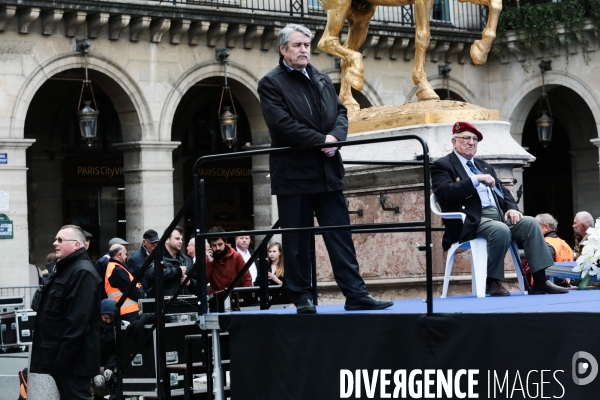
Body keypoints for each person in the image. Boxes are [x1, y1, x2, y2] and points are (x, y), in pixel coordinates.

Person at [257, 23, 393, 314]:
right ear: (283, 49)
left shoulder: (319, 77)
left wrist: (336, 139)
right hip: (294, 174)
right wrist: (321, 141)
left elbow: (341, 112)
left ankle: (355, 294)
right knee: (296, 240)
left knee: (340, 236)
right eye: (297, 45)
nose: (304, 49)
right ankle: (301, 296)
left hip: (328, 171)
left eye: (306, 45)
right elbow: (282, 125)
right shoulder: (271, 83)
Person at [431, 121, 568, 296]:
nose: (471, 142)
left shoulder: (483, 165)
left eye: (475, 139)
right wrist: (475, 180)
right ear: (454, 142)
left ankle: (541, 281)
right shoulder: (443, 165)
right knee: (501, 229)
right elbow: (444, 193)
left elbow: (503, 190)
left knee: (531, 223)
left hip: (497, 216)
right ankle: (492, 281)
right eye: (466, 138)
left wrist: (512, 208)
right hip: (469, 220)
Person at [30, 224, 103, 399]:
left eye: (61, 240)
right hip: (62, 361)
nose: (55, 243)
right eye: (56, 239)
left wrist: (62, 359)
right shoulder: (65, 270)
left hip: (73, 363)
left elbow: (77, 322)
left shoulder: (82, 273)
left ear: (77, 244)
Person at [145, 226, 194, 297]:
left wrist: (190, 282)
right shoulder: (155, 257)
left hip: (185, 305)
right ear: (167, 239)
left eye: (181, 239)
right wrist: (178, 271)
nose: (181, 241)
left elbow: (198, 283)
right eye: (177, 239)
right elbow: (153, 274)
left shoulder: (187, 260)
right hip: (163, 305)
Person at [105, 244, 146, 322]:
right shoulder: (117, 270)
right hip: (128, 312)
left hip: (125, 311)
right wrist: (144, 298)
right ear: (119, 255)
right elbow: (131, 290)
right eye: (125, 254)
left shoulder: (113, 267)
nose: (126, 256)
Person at [206, 226, 253, 294]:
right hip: (216, 299)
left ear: (225, 242)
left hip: (236, 297)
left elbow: (246, 279)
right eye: (214, 245)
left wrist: (247, 298)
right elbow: (203, 282)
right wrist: (210, 262)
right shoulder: (208, 259)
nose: (217, 248)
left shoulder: (236, 256)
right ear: (210, 245)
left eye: (220, 244)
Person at [91, 299, 119, 400]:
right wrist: (94, 374)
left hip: (108, 365)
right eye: (106, 318)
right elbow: (88, 352)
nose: (108, 321)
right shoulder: (92, 329)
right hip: (93, 366)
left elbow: (117, 350)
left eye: (112, 318)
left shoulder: (118, 327)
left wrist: (109, 367)